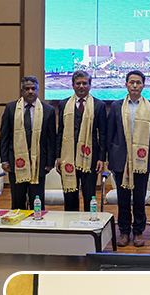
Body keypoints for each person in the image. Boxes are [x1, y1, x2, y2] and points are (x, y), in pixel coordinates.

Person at [106, 70, 150, 247]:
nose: (135, 85)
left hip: (142, 160)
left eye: (138, 82)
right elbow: (110, 134)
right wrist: (109, 157)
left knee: (139, 198)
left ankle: (138, 232)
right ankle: (123, 232)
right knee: (123, 199)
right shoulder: (116, 106)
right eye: (131, 82)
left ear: (143, 85)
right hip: (120, 159)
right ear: (126, 85)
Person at [0, 76, 56, 209]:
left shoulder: (48, 110)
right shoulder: (11, 108)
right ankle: (19, 229)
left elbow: (51, 139)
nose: (30, 91)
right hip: (16, 163)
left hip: (39, 163)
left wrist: (49, 162)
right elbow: (4, 136)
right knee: (18, 201)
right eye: (27, 89)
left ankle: (37, 228)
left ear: (37, 90)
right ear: (21, 91)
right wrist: (4, 160)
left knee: (37, 201)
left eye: (33, 89)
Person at [56, 70, 106, 212]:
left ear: (90, 85)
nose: (81, 86)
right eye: (78, 83)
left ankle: (89, 225)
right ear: (73, 85)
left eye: (85, 83)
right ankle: (71, 227)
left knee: (90, 195)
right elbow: (60, 132)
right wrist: (59, 156)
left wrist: (101, 158)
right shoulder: (64, 104)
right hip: (68, 156)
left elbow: (102, 134)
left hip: (90, 158)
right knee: (70, 194)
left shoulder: (99, 105)